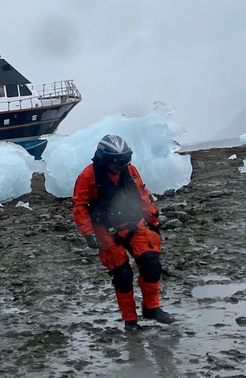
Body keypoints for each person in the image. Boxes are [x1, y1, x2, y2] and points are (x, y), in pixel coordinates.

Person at [72, 134, 176, 331]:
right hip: (106, 229)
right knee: (122, 274)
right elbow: (80, 206)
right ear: (103, 158)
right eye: (114, 162)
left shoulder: (130, 171)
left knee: (151, 264)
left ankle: (152, 308)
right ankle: (130, 320)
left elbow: (142, 196)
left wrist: (153, 220)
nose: (118, 166)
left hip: (133, 223)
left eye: (122, 161)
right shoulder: (87, 176)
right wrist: (88, 234)